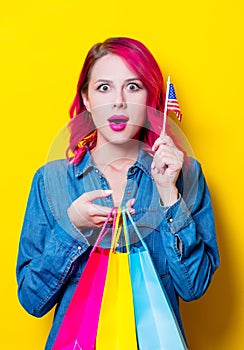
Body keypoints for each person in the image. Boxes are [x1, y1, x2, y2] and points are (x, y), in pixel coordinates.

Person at [16, 37, 220, 349]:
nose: (119, 101)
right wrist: (71, 228)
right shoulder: (50, 180)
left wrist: (169, 195)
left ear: (151, 98)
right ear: (86, 99)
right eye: (104, 87)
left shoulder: (186, 175)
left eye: (133, 86)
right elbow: (32, 300)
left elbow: (194, 288)